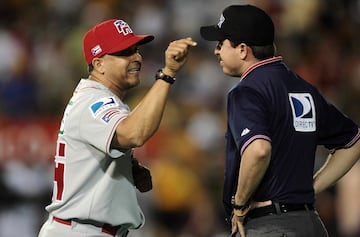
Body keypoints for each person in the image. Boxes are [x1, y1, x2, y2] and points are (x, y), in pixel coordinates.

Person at [199, 5, 360, 237]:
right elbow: (353, 142)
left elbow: (259, 149)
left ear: (243, 49)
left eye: (220, 44)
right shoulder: (303, 89)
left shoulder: (247, 91)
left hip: (269, 226)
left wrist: (240, 203)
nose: (216, 51)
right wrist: (312, 189)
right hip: (310, 225)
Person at [38, 19, 197, 237]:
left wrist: (127, 168)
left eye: (136, 50)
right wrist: (167, 73)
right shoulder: (93, 101)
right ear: (99, 64)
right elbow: (134, 133)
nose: (137, 58)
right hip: (83, 231)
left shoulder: (98, 100)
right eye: (124, 52)